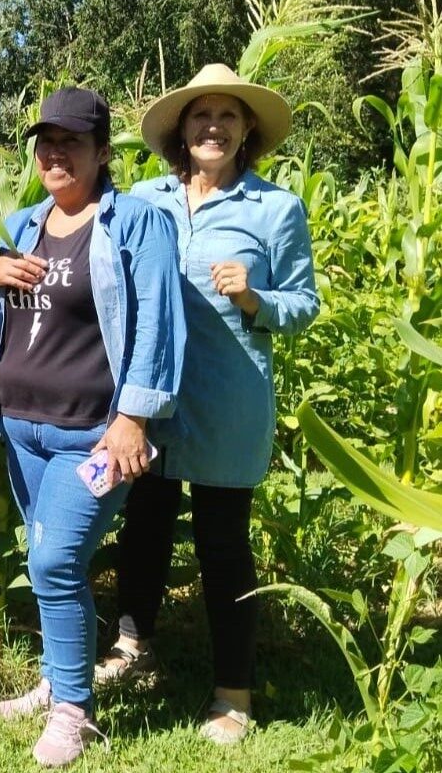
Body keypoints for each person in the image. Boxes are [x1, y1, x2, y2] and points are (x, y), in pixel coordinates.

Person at [99, 64, 320, 744]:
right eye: (201, 116)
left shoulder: (274, 209)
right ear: (181, 130)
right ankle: (131, 648)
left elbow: (303, 305)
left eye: (228, 116)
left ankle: (232, 693)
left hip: (228, 402)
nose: (214, 127)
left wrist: (256, 298)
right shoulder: (143, 200)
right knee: (144, 531)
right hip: (151, 399)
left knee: (224, 547)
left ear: (247, 129)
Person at [0, 88, 184, 766]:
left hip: (93, 434)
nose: (54, 154)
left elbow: (156, 321)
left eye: (70, 142)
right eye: (45, 143)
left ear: (100, 151)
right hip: (23, 426)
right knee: (48, 559)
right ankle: (55, 677)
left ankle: (75, 713)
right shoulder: (26, 222)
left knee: (55, 559)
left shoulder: (134, 223)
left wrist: (133, 417)